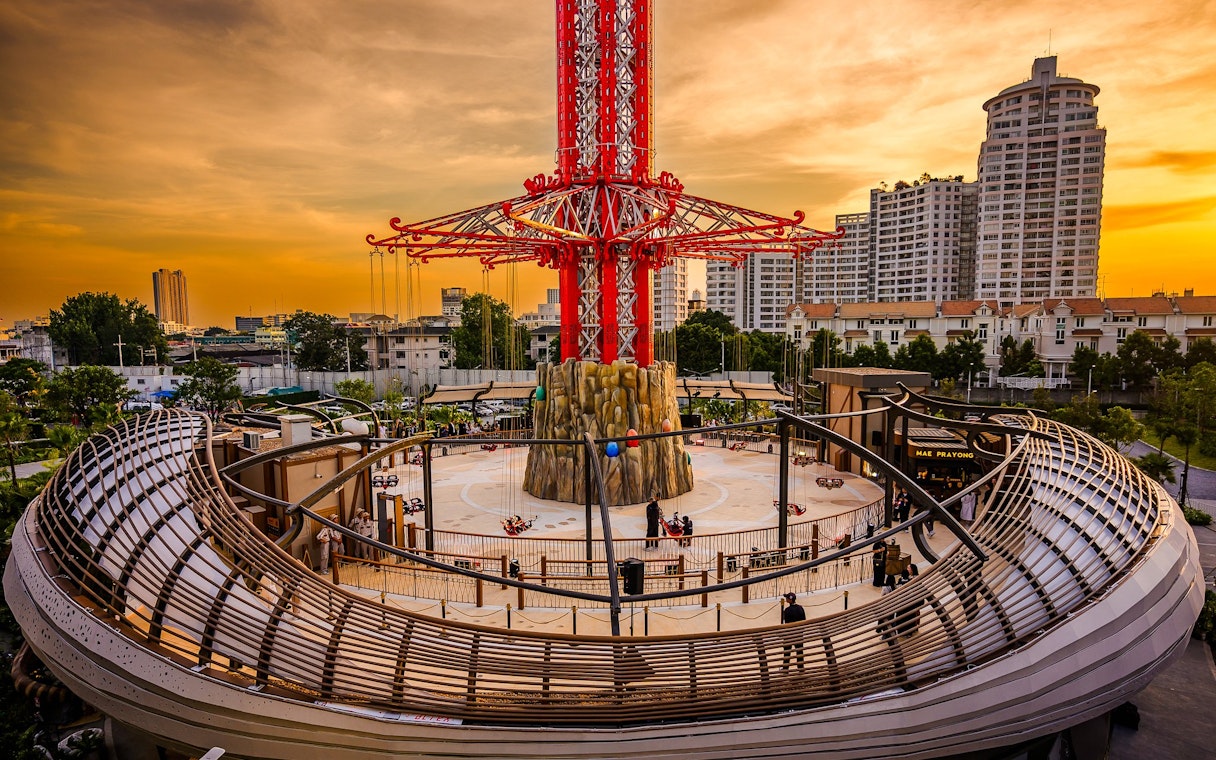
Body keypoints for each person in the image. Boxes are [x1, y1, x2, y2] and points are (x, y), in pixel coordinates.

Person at [781, 592, 806, 670]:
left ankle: (785, 669)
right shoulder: (800, 608)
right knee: (799, 652)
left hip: (790, 635)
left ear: (790, 600)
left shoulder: (787, 610)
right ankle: (801, 668)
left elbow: (787, 624)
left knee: (787, 652)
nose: (786, 599)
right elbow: (804, 620)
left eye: (787, 598)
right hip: (799, 634)